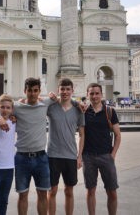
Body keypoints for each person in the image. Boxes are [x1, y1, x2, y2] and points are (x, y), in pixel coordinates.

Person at [0, 77, 54, 215]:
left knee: (43, 195)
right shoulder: (17, 107)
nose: (32, 94)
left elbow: (64, 99)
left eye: (35, 91)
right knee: (23, 195)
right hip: (22, 157)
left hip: (41, 157)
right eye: (29, 90)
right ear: (25, 91)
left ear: (39, 91)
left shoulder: (45, 104)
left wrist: (78, 103)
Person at [47, 78, 85, 215]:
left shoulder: (78, 110)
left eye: (68, 89)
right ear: (58, 90)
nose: (65, 92)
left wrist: (79, 156)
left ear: (72, 91)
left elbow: (82, 135)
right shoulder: (51, 107)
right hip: (53, 155)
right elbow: (34, 104)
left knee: (69, 191)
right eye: (62, 89)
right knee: (52, 191)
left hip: (70, 155)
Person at [83, 83, 121, 215]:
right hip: (88, 157)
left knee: (112, 192)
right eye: (91, 93)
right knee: (90, 191)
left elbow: (117, 135)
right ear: (87, 95)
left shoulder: (109, 111)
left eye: (97, 93)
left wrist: (113, 154)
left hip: (106, 156)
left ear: (101, 94)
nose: (94, 96)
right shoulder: (83, 112)